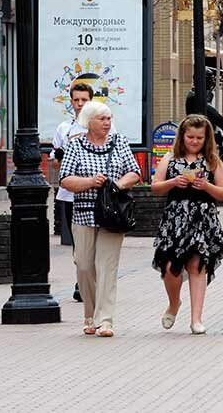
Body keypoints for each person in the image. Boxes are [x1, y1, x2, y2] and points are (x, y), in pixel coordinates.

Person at [58, 101, 141, 337]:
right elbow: (65, 179)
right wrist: (90, 182)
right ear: (89, 121)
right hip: (84, 214)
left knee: (107, 267)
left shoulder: (119, 143)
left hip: (112, 215)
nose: (107, 123)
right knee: (84, 266)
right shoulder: (76, 145)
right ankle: (90, 313)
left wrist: (117, 185)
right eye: (102, 119)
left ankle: (105, 320)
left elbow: (135, 172)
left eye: (109, 118)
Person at [151, 114, 223, 334]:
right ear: (182, 136)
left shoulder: (213, 161)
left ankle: (196, 319)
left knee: (197, 265)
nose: (194, 141)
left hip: (203, 219)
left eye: (199, 138)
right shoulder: (170, 158)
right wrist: (174, 182)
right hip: (175, 219)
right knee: (170, 268)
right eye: (190, 137)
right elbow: (155, 187)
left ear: (206, 139)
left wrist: (206, 187)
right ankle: (174, 303)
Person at [52, 81, 98, 303]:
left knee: (97, 239)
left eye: (84, 100)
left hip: (96, 195)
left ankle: (94, 280)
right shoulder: (64, 128)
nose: (80, 104)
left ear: (91, 101)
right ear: (71, 102)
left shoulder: (100, 125)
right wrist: (61, 157)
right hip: (70, 195)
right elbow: (55, 164)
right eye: (76, 100)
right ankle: (82, 280)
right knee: (78, 243)